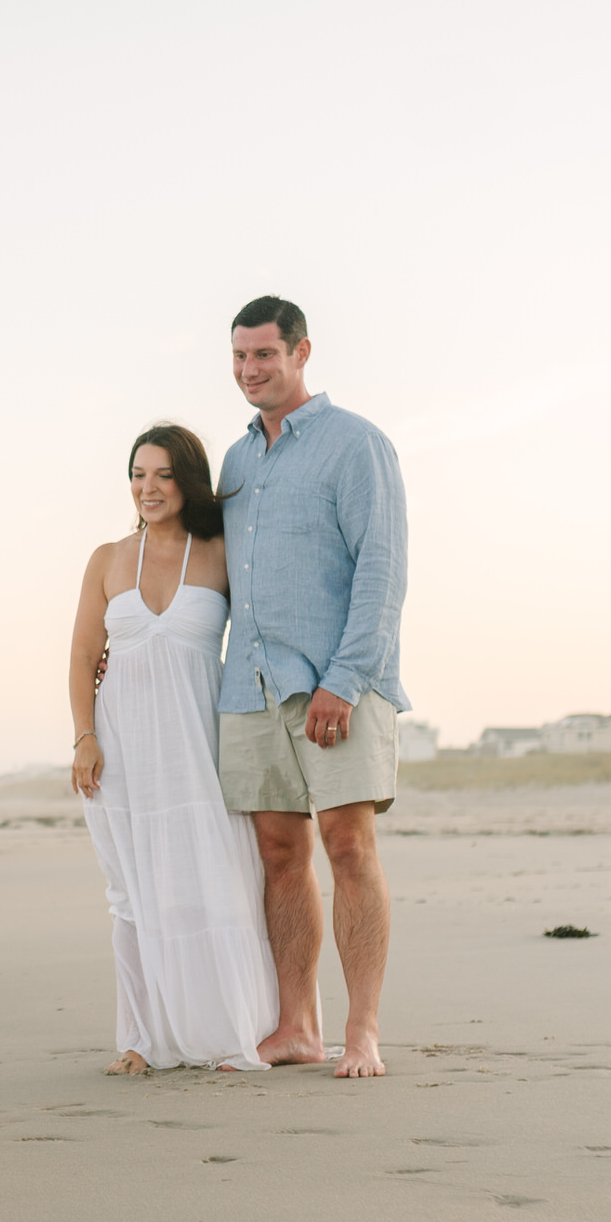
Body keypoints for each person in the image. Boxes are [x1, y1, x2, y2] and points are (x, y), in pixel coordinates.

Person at [216, 296, 407, 1078]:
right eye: (239, 357)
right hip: (250, 687)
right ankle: (297, 1024)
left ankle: (360, 1031)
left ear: (301, 353)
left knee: (349, 846)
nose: (251, 370)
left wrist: (346, 679)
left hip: (336, 686)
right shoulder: (234, 463)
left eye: (265, 354)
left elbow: (383, 570)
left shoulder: (355, 445)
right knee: (279, 854)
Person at [69, 425, 280, 1074]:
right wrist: (84, 736)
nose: (147, 487)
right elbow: (82, 656)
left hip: (199, 744)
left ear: (186, 480)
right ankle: (139, 1040)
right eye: (138, 473)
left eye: (162, 474)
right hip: (121, 749)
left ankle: (233, 1027)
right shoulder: (107, 559)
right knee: (130, 891)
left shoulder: (219, 552)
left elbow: (260, 638)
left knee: (214, 883)